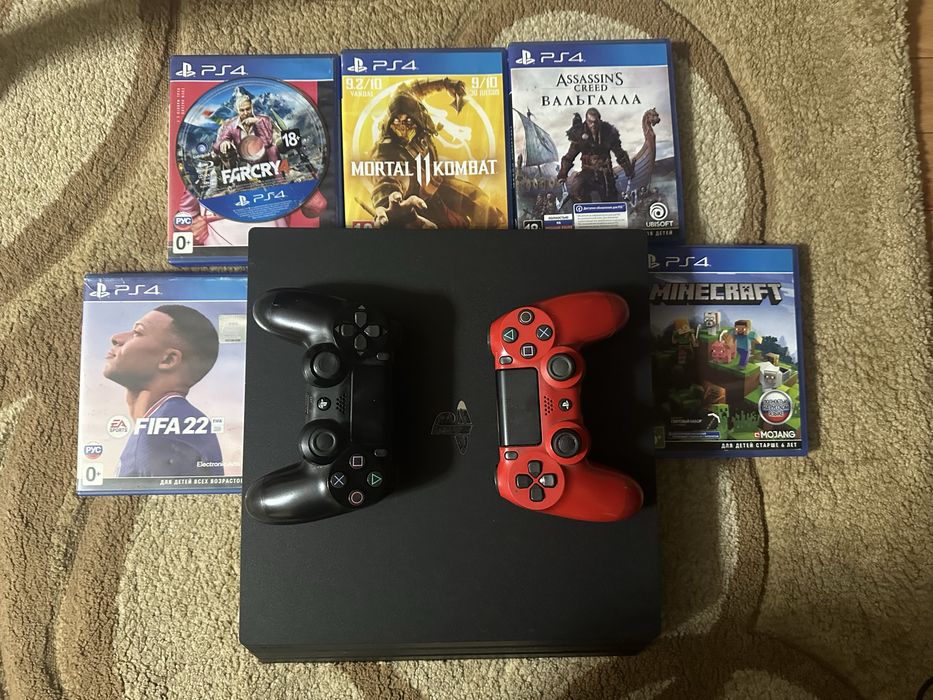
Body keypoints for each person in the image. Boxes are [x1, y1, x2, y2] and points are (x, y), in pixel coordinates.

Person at [103, 305, 223, 478]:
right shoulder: (169, 422)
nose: (116, 338)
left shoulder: (163, 432)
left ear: (168, 360)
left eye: (137, 332)